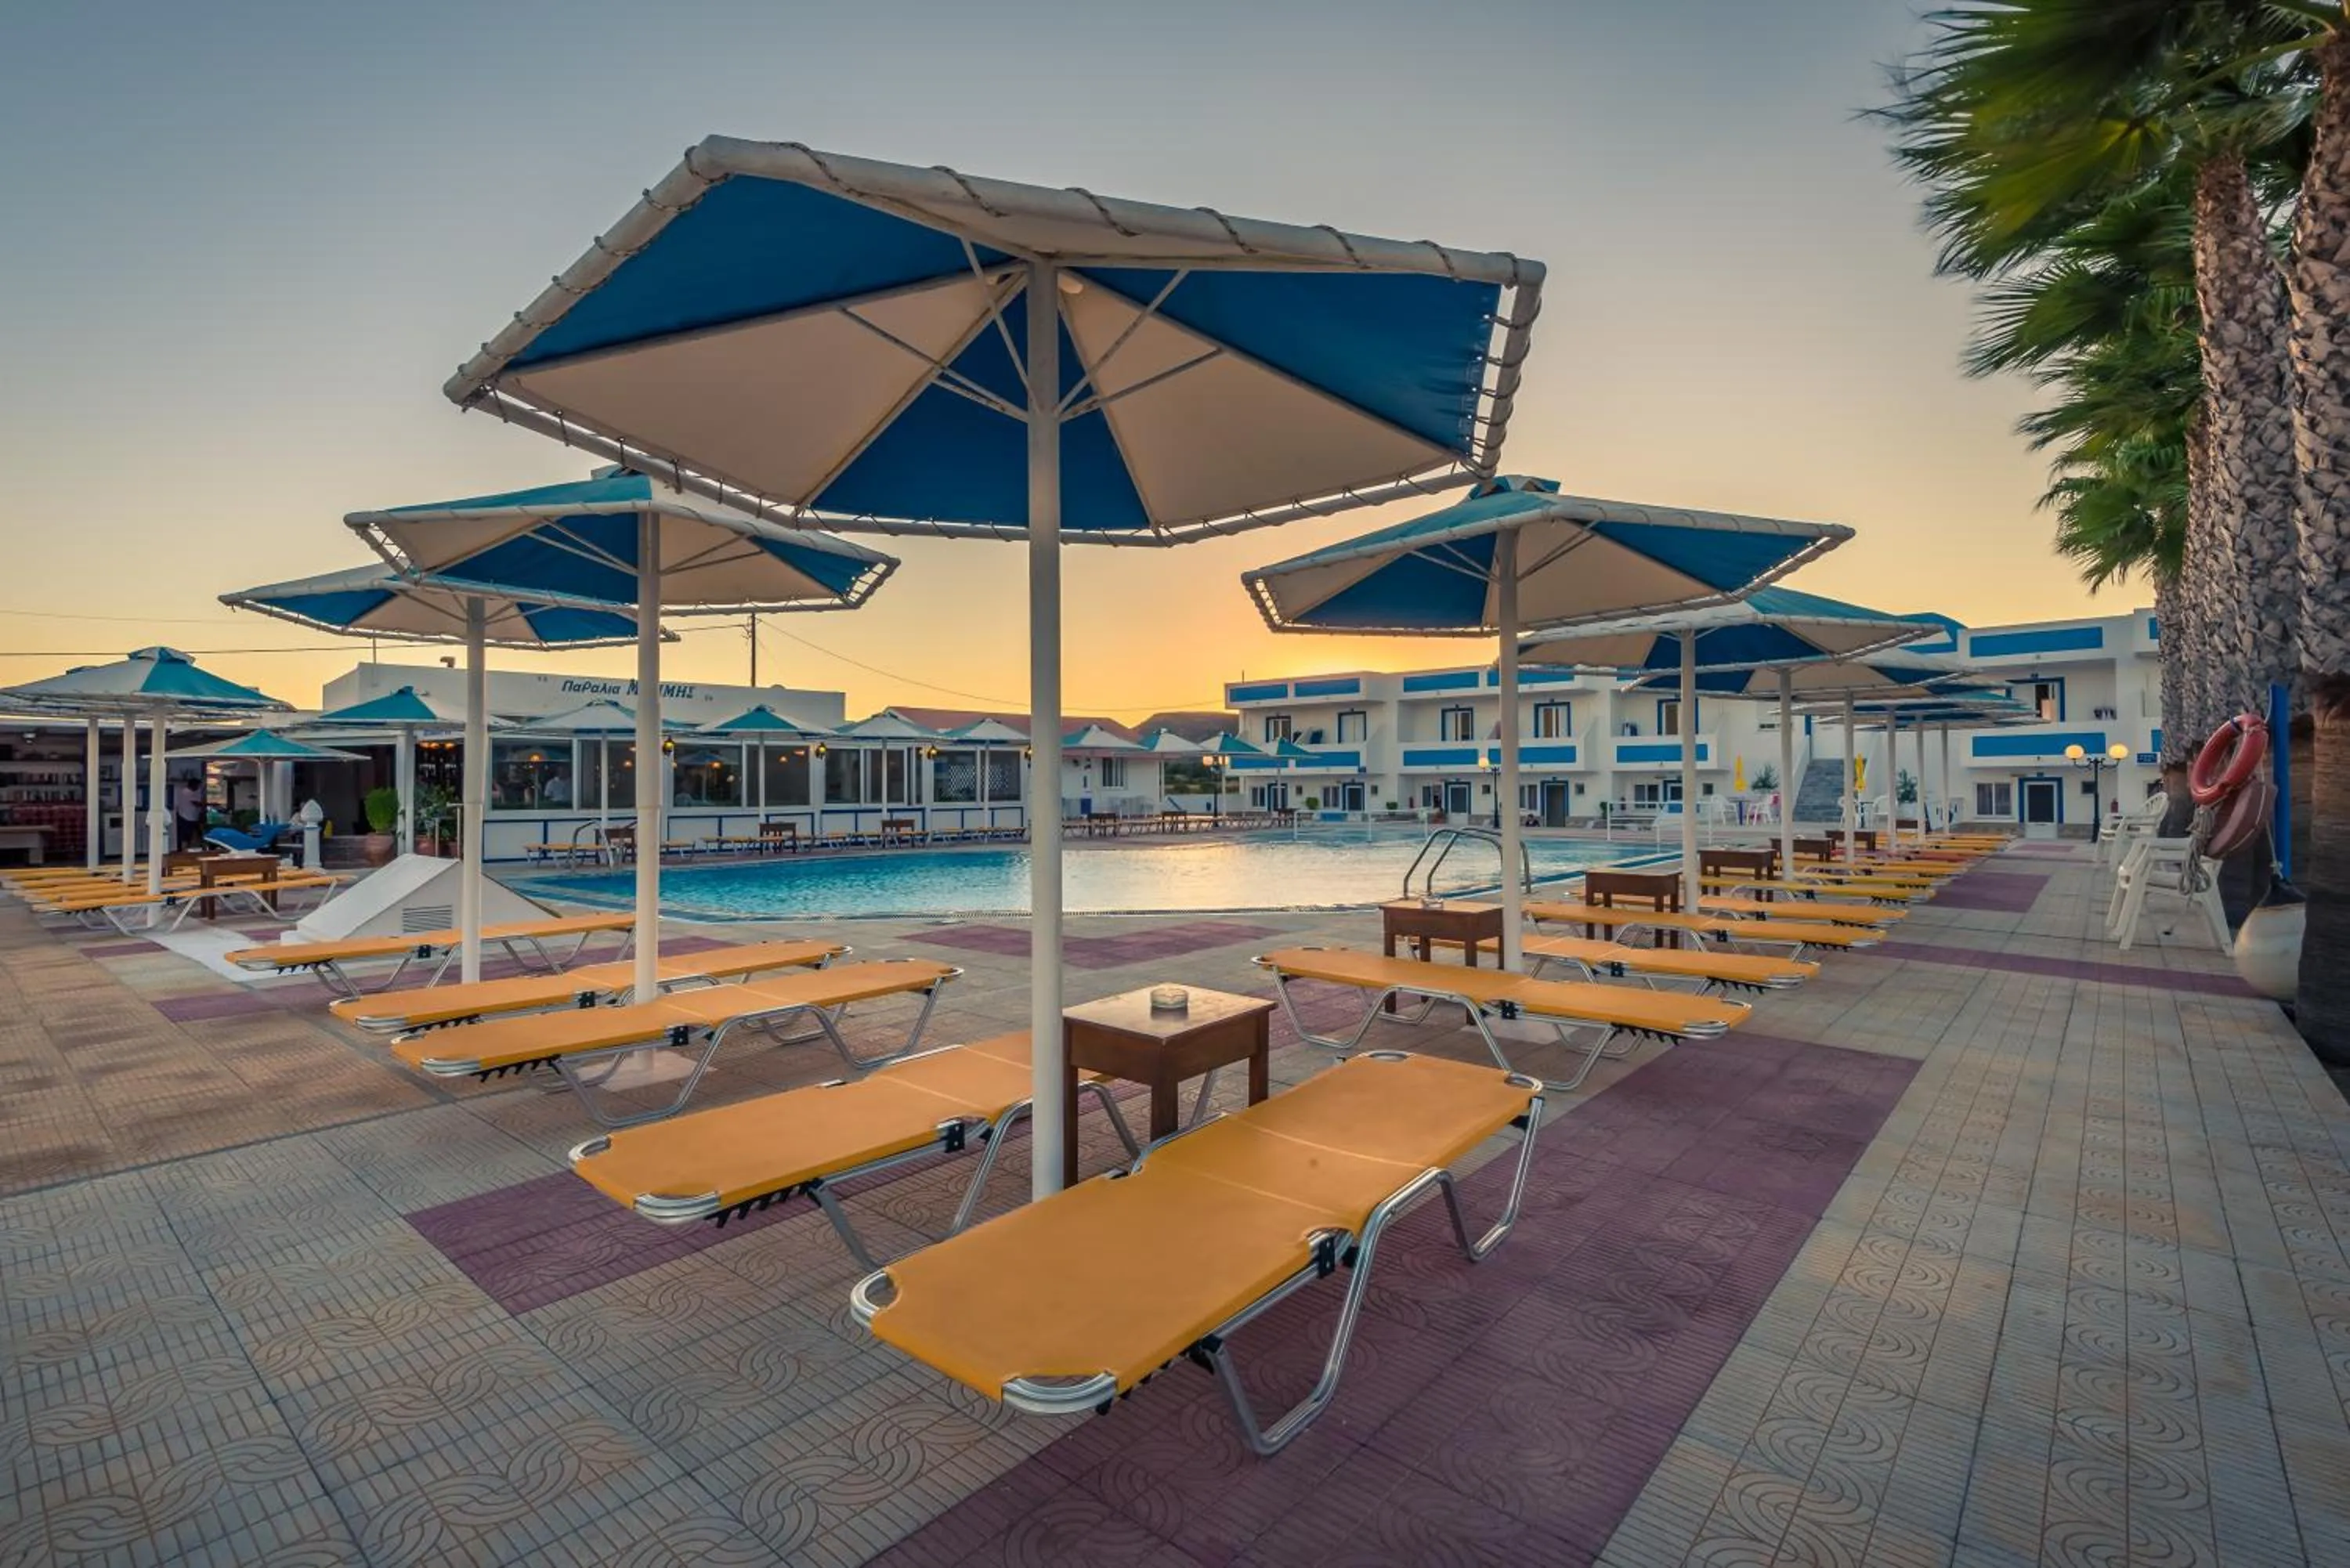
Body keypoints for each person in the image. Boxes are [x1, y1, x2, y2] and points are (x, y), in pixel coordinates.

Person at [172, 780, 206, 851]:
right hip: (187, 818)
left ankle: (185, 850)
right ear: (193, 785)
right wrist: (206, 804)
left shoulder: (184, 791)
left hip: (189, 817)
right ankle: (184, 850)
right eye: (197, 786)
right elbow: (197, 804)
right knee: (187, 836)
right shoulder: (187, 793)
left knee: (192, 835)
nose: (198, 788)